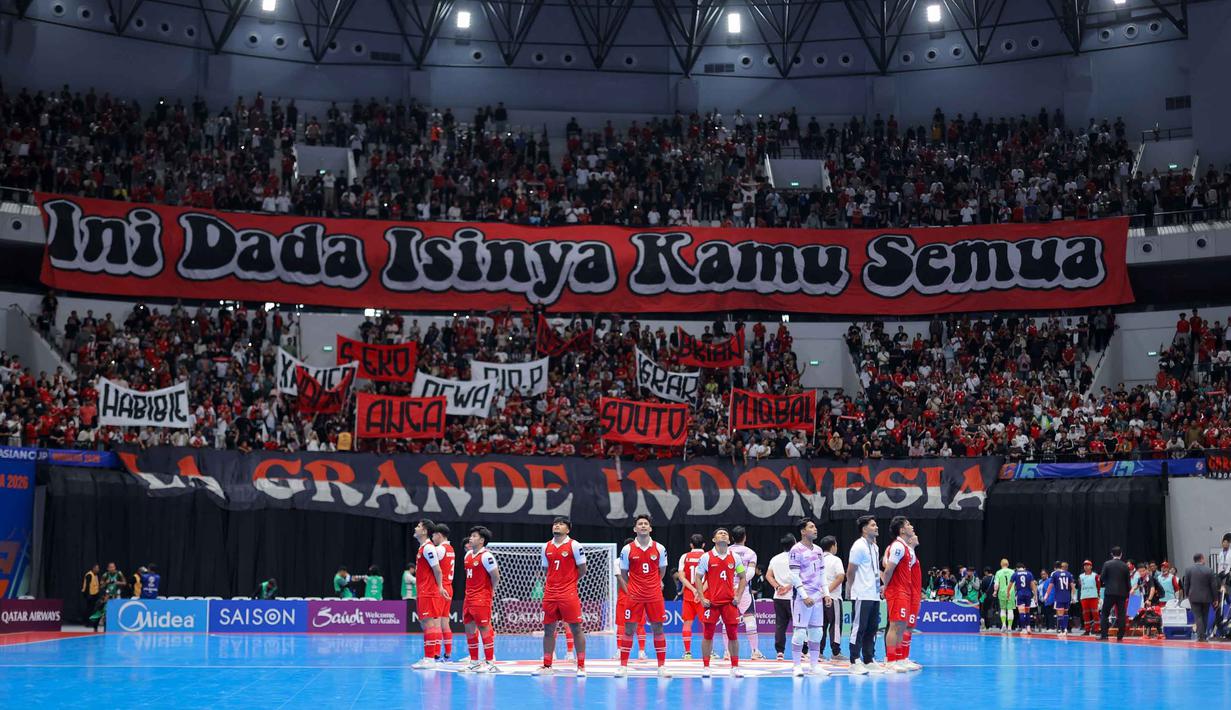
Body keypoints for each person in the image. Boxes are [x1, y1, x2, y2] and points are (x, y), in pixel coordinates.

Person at [617, 515, 671, 677]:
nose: (643, 526)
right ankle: (623, 666)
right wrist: (636, 586)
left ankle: (661, 666)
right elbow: (625, 574)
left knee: (658, 628)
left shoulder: (660, 548)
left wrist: (652, 583)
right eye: (639, 524)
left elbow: (662, 571)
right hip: (634, 595)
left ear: (650, 528)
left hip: (654, 595)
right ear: (635, 529)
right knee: (629, 629)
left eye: (646, 523)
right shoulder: (627, 550)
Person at [534, 516, 588, 676]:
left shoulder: (575, 545)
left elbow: (582, 569)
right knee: (548, 629)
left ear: (568, 529)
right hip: (550, 594)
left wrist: (569, 582)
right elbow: (546, 570)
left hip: (568, 593)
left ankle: (581, 666)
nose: (557, 525)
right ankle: (547, 666)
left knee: (576, 628)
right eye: (555, 523)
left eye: (561, 524)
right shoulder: (546, 547)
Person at [694, 527, 748, 678]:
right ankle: (705, 667)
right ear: (714, 540)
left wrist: (738, 595)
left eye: (726, 533)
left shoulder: (735, 557)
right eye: (720, 533)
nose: (723, 535)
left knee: (733, 635)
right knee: (708, 635)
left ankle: (735, 667)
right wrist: (702, 597)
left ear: (729, 540)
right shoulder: (707, 557)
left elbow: (743, 577)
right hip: (711, 603)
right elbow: (698, 577)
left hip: (730, 603)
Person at [787, 518, 830, 677]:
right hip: (802, 598)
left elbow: (822, 573)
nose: (815, 529)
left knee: (817, 632)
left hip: (818, 598)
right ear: (803, 531)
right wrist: (804, 595)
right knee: (799, 632)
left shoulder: (819, 550)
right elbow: (794, 575)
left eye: (815, 527)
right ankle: (797, 666)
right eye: (811, 527)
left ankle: (814, 666)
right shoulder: (796, 550)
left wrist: (826, 593)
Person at [412, 520, 454, 669]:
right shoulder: (424, 547)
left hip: (429, 591)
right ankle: (428, 657)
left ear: (424, 531)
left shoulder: (429, 548)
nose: (415, 528)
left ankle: (430, 658)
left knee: (430, 623)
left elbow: (438, 570)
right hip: (424, 590)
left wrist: (440, 587)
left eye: (418, 526)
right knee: (425, 623)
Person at [881, 516, 919, 672]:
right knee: (895, 625)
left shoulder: (905, 548)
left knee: (902, 626)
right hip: (897, 591)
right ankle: (891, 660)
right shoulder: (898, 546)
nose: (911, 527)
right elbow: (888, 569)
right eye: (908, 524)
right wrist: (885, 586)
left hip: (905, 591)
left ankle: (899, 658)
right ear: (902, 529)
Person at [846, 515, 882, 675]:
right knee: (858, 628)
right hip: (861, 593)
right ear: (864, 528)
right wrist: (851, 589)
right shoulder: (858, 546)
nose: (876, 527)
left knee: (872, 628)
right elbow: (851, 571)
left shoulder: (875, 547)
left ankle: (868, 658)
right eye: (873, 525)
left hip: (874, 594)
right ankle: (854, 660)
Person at [462, 525, 500, 673]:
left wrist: (490, 591)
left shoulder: (487, 556)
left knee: (484, 628)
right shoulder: (467, 555)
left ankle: (490, 662)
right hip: (468, 598)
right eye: (470, 536)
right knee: (469, 629)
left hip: (481, 598)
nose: (471, 538)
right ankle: (474, 662)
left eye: (474, 536)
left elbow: (495, 576)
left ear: (482, 540)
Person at [728, 526, 763, 659]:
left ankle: (727, 652)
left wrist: (734, 585)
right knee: (750, 620)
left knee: (727, 622)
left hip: (727, 590)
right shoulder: (751, 552)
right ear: (745, 537)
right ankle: (755, 652)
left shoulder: (727, 551)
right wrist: (740, 585)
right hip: (744, 591)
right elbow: (750, 572)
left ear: (732, 538)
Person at [765, 533, 796, 661]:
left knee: (780, 625)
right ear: (794, 544)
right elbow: (800, 576)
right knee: (799, 624)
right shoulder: (796, 558)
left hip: (778, 597)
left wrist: (777, 587)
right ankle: (803, 651)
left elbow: (768, 575)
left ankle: (780, 652)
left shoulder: (775, 558)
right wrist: (788, 587)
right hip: (793, 597)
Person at [677, 533, 707, 659]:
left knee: (687, 624)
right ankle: (709, 652)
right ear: (704, 545)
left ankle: (687, 653)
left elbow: (681, 576)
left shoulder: (685, 557)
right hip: (704, 596)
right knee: (706, 624)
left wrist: (693, 590)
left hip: (689, 595)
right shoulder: (707, 556)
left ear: (691, 545)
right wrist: (699, 592)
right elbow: (710, 579)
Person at [819, 535, 846, 661]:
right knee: (835, 624)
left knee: (820, 625)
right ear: (833, 546)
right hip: (833, 597)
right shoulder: (835, 560)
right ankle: (836, 653)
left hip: (818, 598)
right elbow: (840, 577)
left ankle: (818, 652)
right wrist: (827, 592)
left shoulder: (817, 559)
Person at [1182, 553, 1219, 641]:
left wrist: (1187, 595)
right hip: (1207, 597)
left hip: (1193, 597)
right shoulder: (1209, 570)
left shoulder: (1188, 570)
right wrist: (1215, 599)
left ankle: (1200, 636)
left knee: (1198, 616)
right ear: (1202, 559)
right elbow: (1213, 586)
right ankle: (1204, 635)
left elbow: (1186, 584)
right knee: (1205, 616)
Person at [1099, 546, 1131, 641]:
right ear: (1121, 554)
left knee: (1105, 613)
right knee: (1121, 614)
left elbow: (1102, 578)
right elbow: (1128, 582)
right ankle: (1120, 636)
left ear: (1112, 554)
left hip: (1109, 592)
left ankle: (1104, 635)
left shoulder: (1107, 564)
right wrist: (1128, 594)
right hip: (1122, 594)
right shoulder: (1125, 565)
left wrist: (1108, 583)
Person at [1010, 562, 1037, 634]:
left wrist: (1008, 593)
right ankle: (1028, 627)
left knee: (1021, 612)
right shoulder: (1029, 573)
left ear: (1017, 568)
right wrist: (1035, 596)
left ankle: (1023, 629)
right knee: (1027, 612)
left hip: (1020, 594)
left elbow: (1010, 585)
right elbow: (1033, 585)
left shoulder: (1015, 574)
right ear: (1024, 567)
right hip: (1028, 594)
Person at [1048, 562, 1074, 635]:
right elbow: (1073, 587)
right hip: (1067, 596)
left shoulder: (1055, 574)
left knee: (1060, 613)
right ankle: (1064, 629)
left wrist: (1046, 595)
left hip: (1059, 596)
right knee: (1065, 613)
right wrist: (1073, 597)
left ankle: (1062, 629)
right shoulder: (1069, 574)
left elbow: (1050, 586)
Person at [1077, 560, 1101, 635]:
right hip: (1084, 597)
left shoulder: (1095, 575)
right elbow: (1080, 586)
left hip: (1093, 596)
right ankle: (1087, 630)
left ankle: (1097, 629)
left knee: (1095, 613)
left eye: (1087, 565)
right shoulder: (1081, 576)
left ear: (1091, 566)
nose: (1086, 566)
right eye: (1085, 565)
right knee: (1085, 614)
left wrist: (1098, 595)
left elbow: (1098, 586)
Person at [992, 559, 1015, 632]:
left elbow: (996, 583)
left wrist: (995, 591)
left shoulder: (998, 572)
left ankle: (1004, 625)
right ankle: (1010, 627)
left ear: (1001, 564)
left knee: (1003, 609)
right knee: (1010, 610)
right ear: (1008, 564)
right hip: (1011, 593)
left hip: (1002, 593)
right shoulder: (1012, 572)